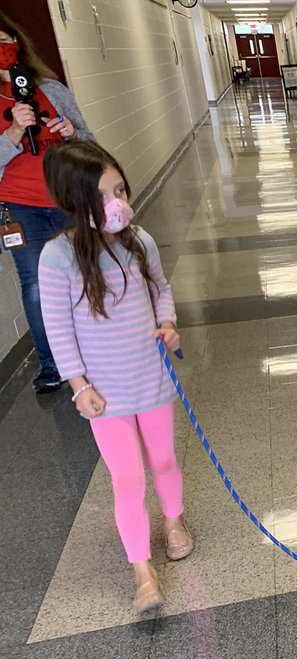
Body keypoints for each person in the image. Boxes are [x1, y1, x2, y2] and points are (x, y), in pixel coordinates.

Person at [40, 141, 192, 612]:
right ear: (75, 202)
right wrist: (78, 385)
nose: (118, 205)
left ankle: (173, 521)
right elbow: (59, 331)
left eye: (120, 189)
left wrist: (167, 324)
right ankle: (142, 571)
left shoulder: (140, 242)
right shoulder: (57, 258)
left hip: (151, 377)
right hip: (105, 394)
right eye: (104, 197)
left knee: (163, 460)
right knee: (127, 478)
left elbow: (160, 291)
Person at [0, 14, 94, 393]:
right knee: (37, 285)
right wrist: (13, 132)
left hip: (66, 197)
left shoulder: (52, 90)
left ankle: (92, 352)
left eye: (5, 40)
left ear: (18, 42)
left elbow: (90, 143)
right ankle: (52, 364)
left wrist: (71, 133)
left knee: (84, 275)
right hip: (19, 207)